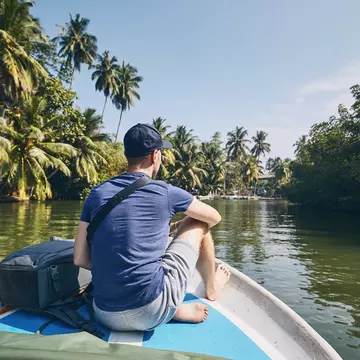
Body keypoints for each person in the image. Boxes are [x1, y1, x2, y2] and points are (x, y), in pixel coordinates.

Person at [74, 123, 230, 331]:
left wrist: (170, 227)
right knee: (199, 221)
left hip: (104, 313)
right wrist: (183, 224)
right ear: (155, 155)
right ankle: (211, 289)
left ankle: (170, 307)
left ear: (126, 155)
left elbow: (80, 258)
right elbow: (214, 217)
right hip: (150, 310)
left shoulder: (97, 193)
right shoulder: (165, 192)